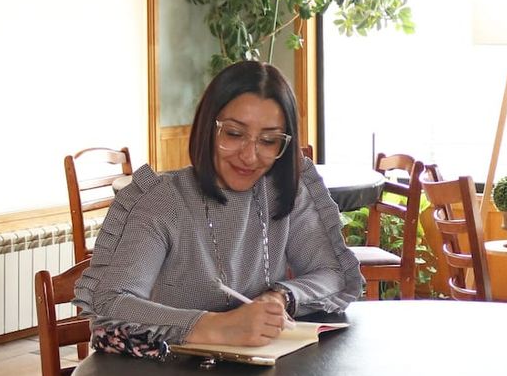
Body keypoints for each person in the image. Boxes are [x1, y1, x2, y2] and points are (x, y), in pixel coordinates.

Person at [73, 61, 362, 357]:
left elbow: (332, 273)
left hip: (262, 375)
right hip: (170, 373)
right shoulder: (160, 200)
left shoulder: (284, 191)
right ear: (207, 128)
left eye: (268, 140)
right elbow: (111, 302)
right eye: (234, 134)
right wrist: (217, 326)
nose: (249, 156)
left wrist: (280, 297)